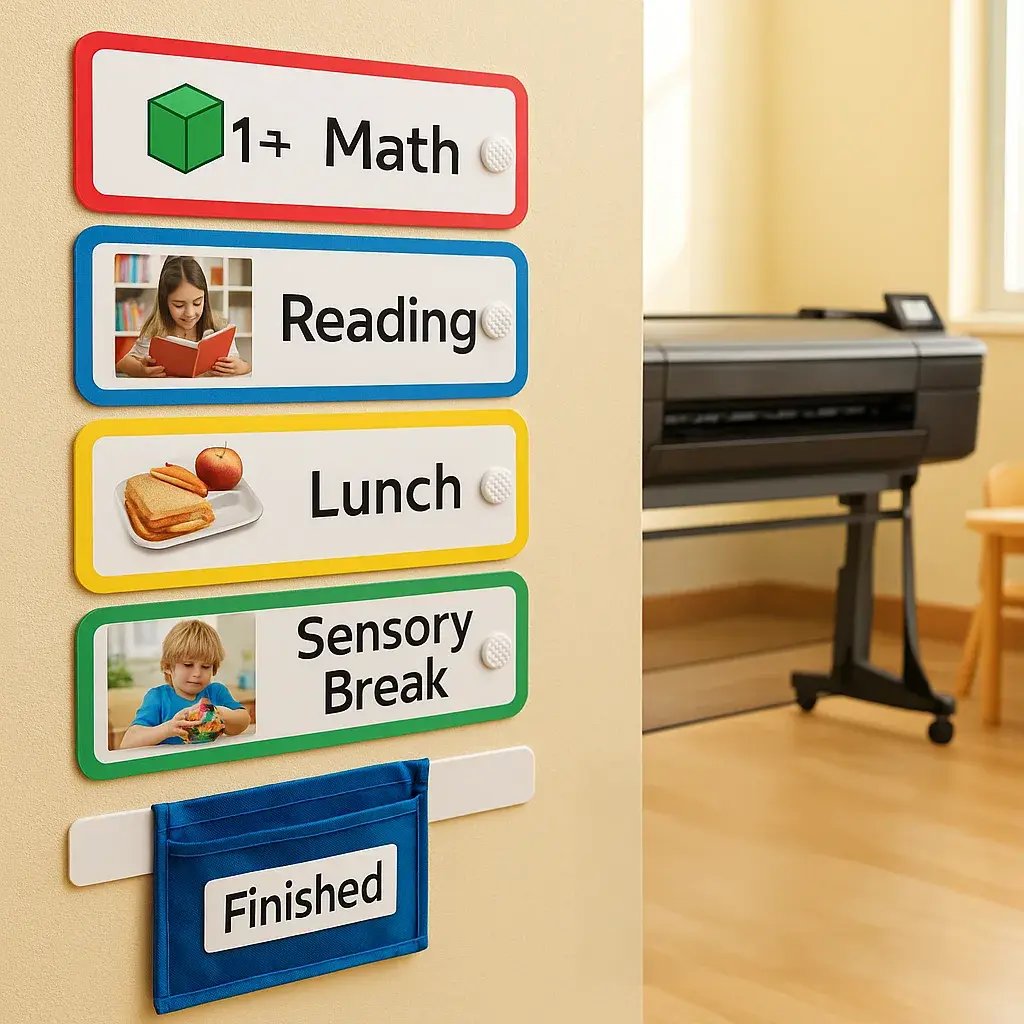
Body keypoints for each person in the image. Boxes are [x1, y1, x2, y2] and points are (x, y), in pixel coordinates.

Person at [119, 619, 251, 748]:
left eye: (205, 666)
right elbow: (128, 743)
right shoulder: (157, 697)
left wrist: (220, 713)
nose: (197, 673)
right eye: (188, 665)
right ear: (168, 667)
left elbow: (244, 721)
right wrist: (168, 729)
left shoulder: (216, 692)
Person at [114, 255, 251, 378]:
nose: (190, 313)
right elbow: (122, 364)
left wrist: (241, 367)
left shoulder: (218, 328)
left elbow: (245, 365)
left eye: (197, 303)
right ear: (164, 302)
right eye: (179, 305)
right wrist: (140, 370)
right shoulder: (155, 332)